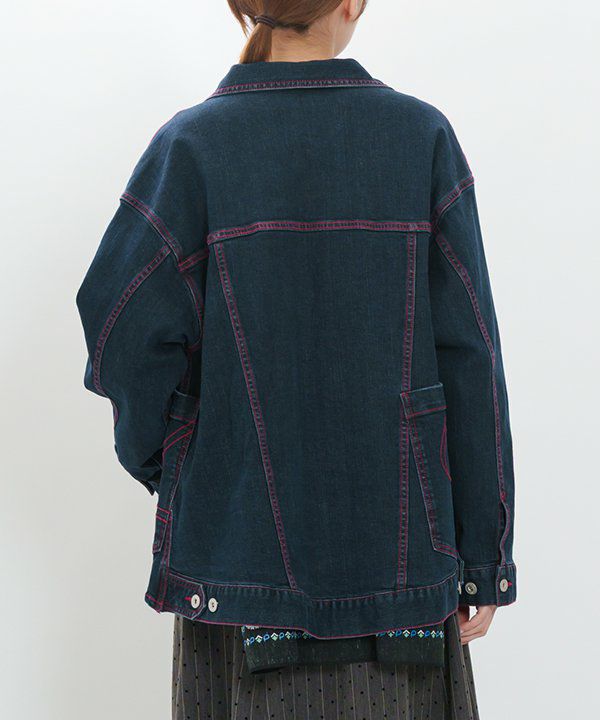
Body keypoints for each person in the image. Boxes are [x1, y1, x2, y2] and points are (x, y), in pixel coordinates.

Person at [76, 1, 517, 718]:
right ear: (351, 2)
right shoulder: (421, 138)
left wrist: (182, 467)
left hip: (239, 570)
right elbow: (471, 358)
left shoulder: (191, 147)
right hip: (405, 573)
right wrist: (484, 561)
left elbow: (120, 330)